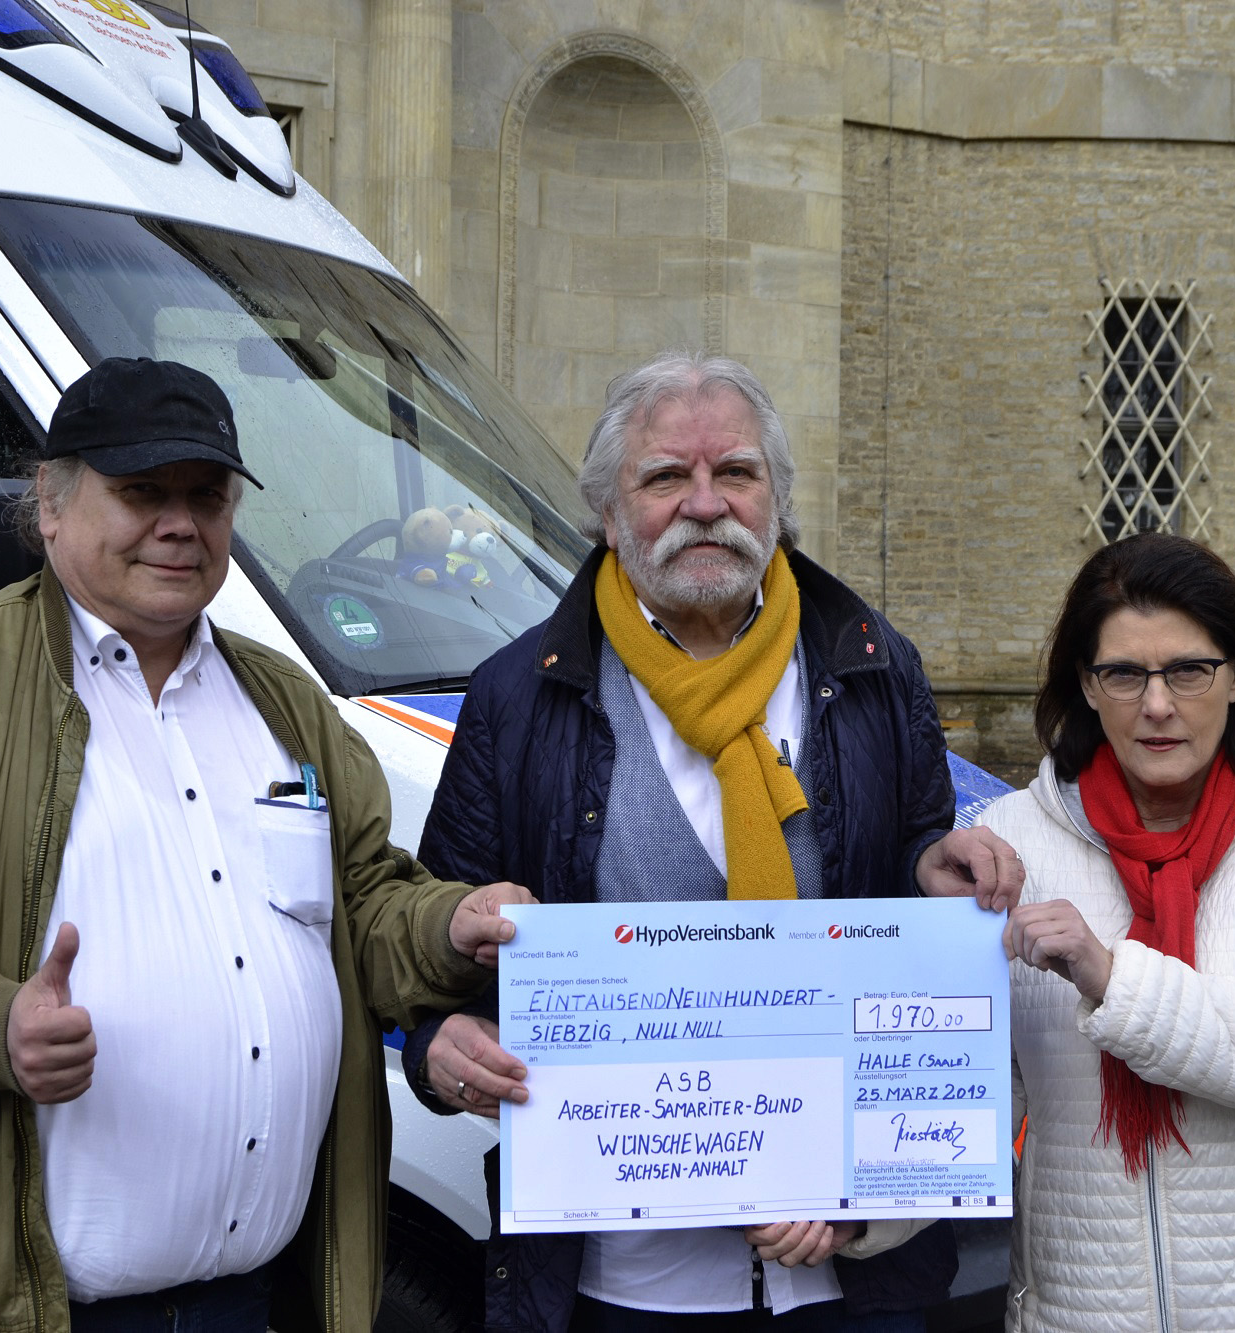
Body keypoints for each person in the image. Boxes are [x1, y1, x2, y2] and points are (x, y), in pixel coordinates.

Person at [0, 357, 528, 1333]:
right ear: (50, 500)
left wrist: (444, 924)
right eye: (140, 492)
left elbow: (356, 904)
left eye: (205, 496)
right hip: (28, 1310)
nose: (179, 522)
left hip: (248, 1303)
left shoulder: (284, 706)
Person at [398, 350, 1025, 1333]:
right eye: (664, 478)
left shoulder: (871, 666)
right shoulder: (515, 697)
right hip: (614, 1273)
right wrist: (438, 1050)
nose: (704, 503)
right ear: (608, 513)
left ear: (774, 497)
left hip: (844, 1271)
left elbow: (908, 891)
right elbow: (432, 949)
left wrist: (928, 870)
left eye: (734, 471)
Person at [980, 532, 1235, 1332]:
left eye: (1189, 669)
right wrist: (856, 1212)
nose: (1159, 703)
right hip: (1080, 1310)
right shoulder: (1009, 845)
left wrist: (1115, 977)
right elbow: (966, 1083)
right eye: (1124, 673)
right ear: (1086, 683)